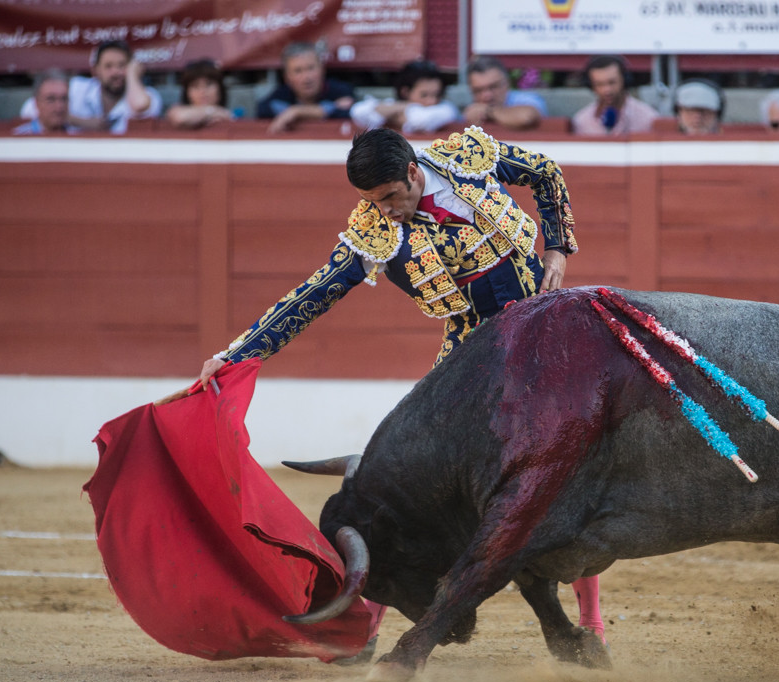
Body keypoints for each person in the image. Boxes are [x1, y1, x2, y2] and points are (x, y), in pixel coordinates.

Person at [195, 125, 604, 650]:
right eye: (372, 201)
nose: (385, 210)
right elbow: (312, 296)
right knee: (406, 482)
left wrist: (558, 249)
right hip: (471, 357)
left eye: (390, 196)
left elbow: (546, 172)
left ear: (413, 170)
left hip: (545, 333)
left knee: (573, 469)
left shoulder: (467, 159)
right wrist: (235, 355)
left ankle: (591, 624)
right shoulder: (375, 233)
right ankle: (365, 625)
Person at [21, 40, 161, 134]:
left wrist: (132, 75)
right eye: (108, 66)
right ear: (95, 70)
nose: (116, 72)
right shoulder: (77, 88)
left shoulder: (147, 94)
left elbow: (140, 106)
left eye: (122, 65)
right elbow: (29, 109)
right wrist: (83, 122)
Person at [257, 42, 355, 134]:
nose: (306, 77)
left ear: (322, 69)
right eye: (298, 71)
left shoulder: (340, 90)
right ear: (287, 77)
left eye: (310, 68)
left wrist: (297, 112)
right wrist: (324, 110)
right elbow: (264, 109)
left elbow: (351, 112)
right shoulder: (281, 94)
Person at [350, 59, 458, 134]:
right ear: (405, 92)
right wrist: (404, 107)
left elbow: (419, 122)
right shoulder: (393, 103)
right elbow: (358, 112)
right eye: (424, 95)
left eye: (437, 95)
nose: (432, 101)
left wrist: (390, 115)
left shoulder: (446, 108)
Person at [570, 55, 658, 135]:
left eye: (612, 82)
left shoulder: (648, 117)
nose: (607, 90)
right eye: (599, 84)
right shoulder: (582, 121)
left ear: (624, 80)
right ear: (591, 86)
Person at [462, 56, 547, 130]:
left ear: (507, 83)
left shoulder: (526, 99)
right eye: (478, 90)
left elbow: (527, 117)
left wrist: (488, 112)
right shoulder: (467, 107)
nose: (487, 95)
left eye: (493, 87)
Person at [165, 59, 234, 130]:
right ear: (187, 92)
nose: (202, 91)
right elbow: (179, 117)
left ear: (220, 88)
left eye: (208, 84)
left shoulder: (231, 113)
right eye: (195, 86)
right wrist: (213, 111)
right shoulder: (177, 110)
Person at [13, 70, 79, 135]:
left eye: (64, 99)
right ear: (37, 103)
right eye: (51, 99)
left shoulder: (78, 137)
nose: (59, 106)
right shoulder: (19, 139)